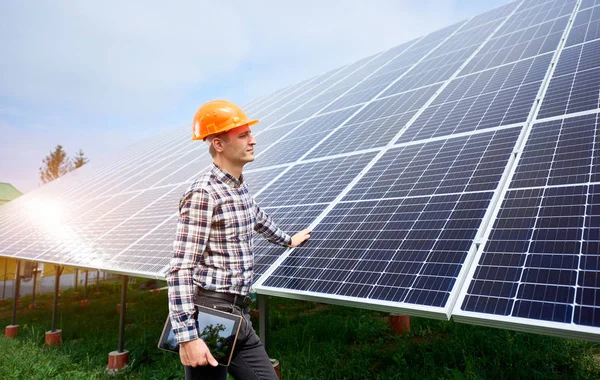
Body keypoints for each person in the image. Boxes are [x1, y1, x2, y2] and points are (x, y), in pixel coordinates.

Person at [166, 100, 311, 380]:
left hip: (239, 313)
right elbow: (180, 268)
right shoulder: (204, 193)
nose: (253, 140)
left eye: (250, 134)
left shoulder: (238, 187)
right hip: (211, 315)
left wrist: (288, 240)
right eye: (243, 135)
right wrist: (187, 337)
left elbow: (258, 219)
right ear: (219, 144)